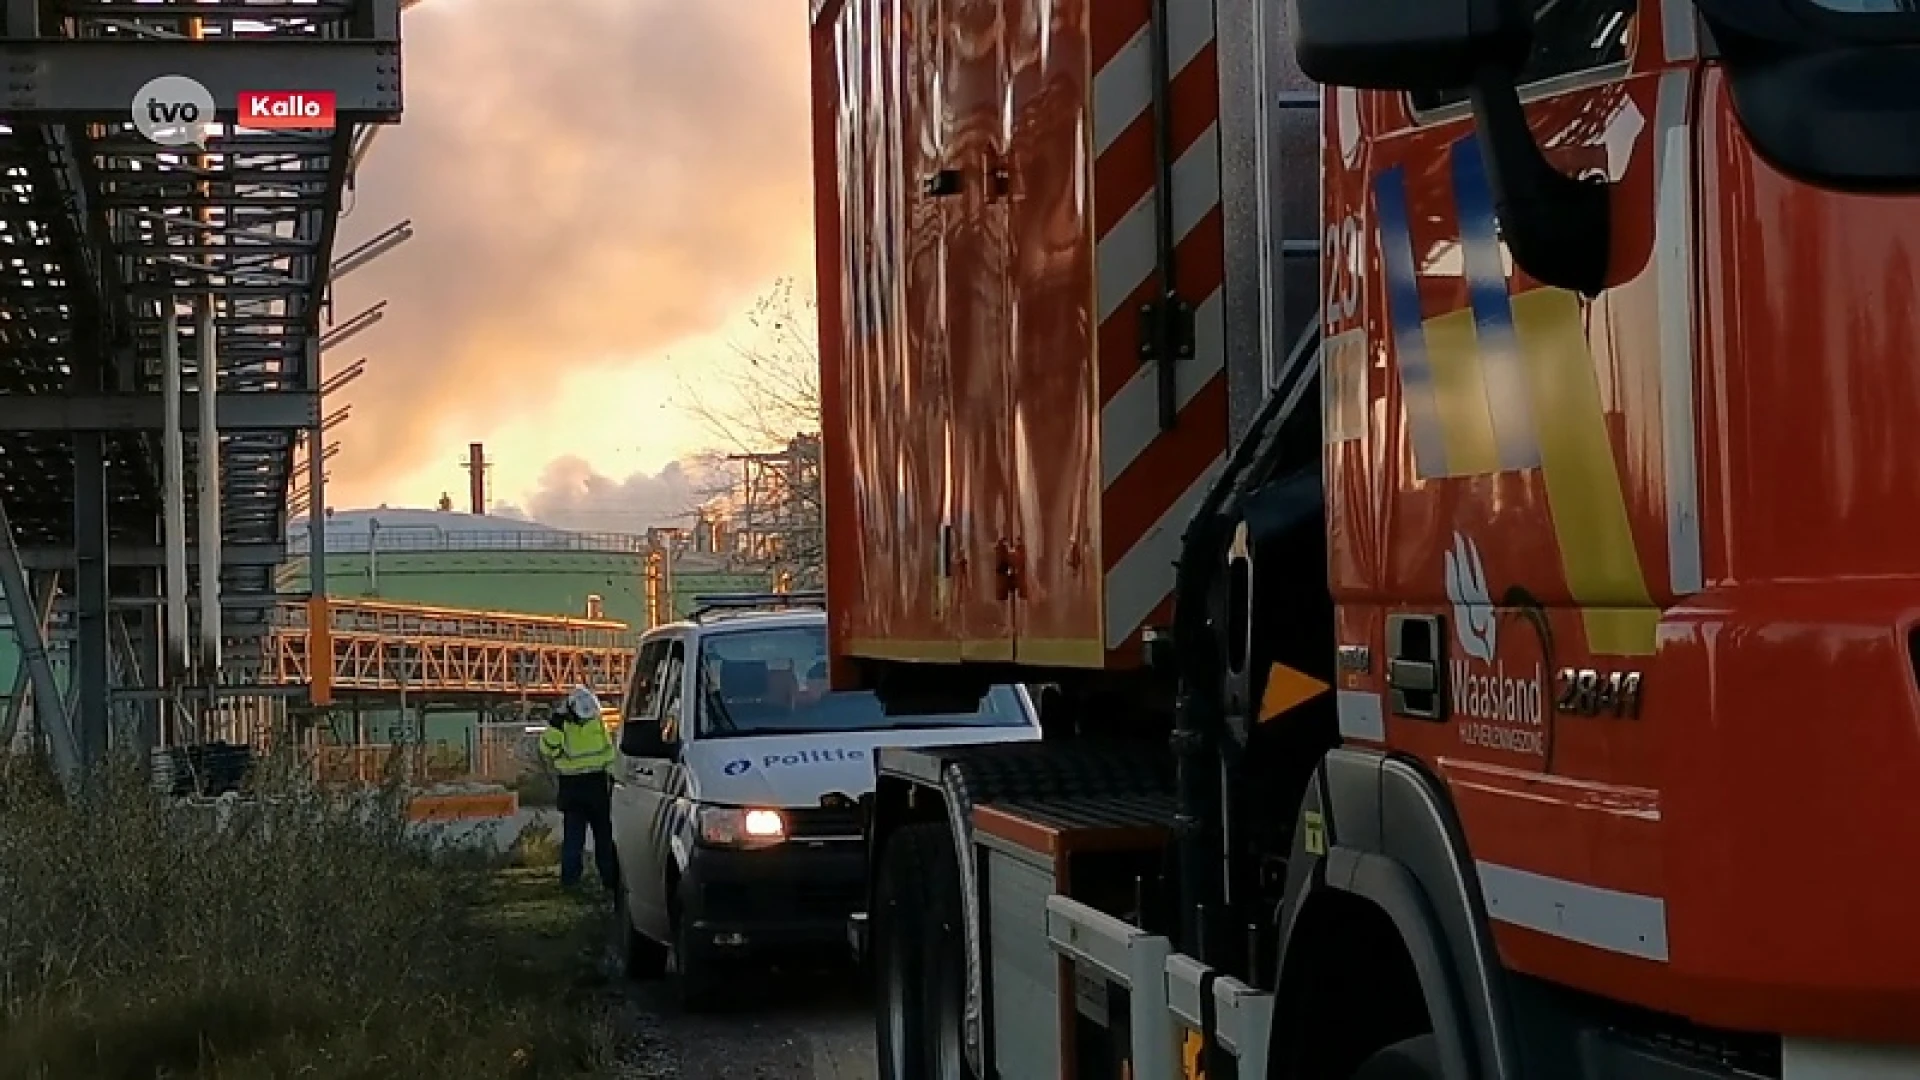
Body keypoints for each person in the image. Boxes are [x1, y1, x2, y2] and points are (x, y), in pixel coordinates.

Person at [537, 685, 619, 894]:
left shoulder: (566, 724)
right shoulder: (592, 723)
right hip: (593, 786)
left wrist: (556, 724)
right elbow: (609, 754)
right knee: (600, 837)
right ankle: (607, 881)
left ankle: (573, 882)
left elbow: (548, 750)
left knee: (578, 838)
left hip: (576, 787)